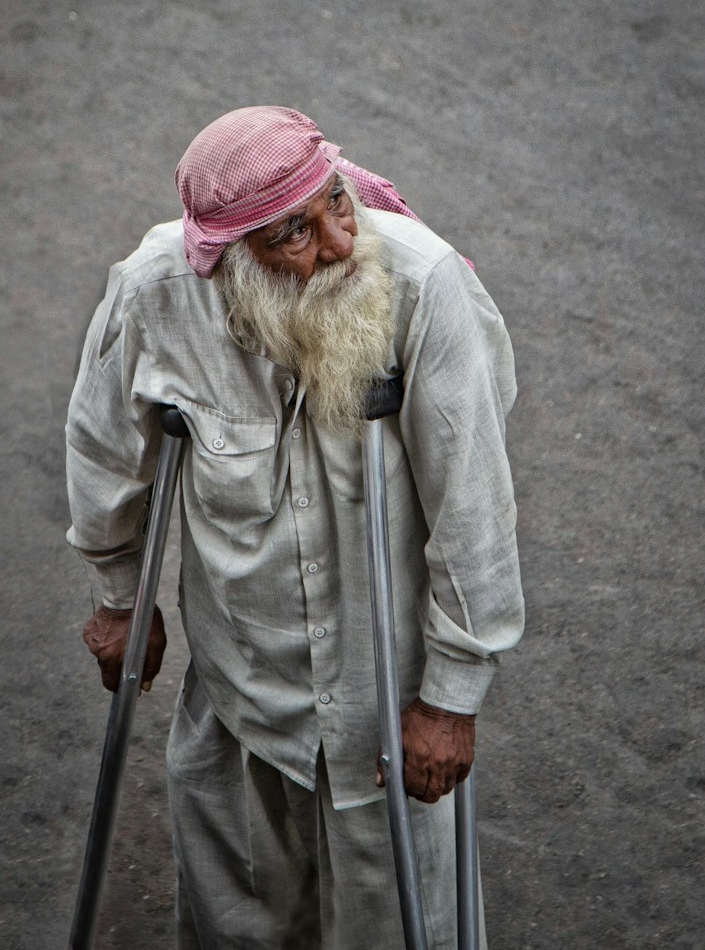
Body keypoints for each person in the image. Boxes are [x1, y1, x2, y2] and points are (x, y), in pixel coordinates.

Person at [66, 106, 524, 948]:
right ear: (231, 258)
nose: (341, 242)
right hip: (241, 695)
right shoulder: (158, 293)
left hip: (385, 706)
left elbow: (474, 507)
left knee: (394, 929)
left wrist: (453, 699)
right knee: (242, 927)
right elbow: (105, 450)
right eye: (294, 235)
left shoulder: (419, 287)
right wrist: (119, 597)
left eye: (337, 204)